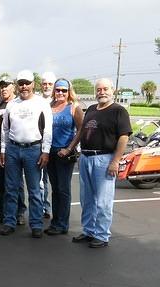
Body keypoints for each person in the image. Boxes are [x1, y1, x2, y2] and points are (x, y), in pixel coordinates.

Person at [73, 78, 130, 248]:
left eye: (105, 89)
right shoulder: (91, 109)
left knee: (103, 201)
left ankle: (102, 235)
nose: (102, 92)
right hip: (86, 157)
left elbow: (124, 137)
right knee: (87, 198)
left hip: (104, 159)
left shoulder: (118, 111)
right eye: (99, 89)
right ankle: (89, 230)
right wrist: (71, 149)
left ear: (113, 90)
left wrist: (116, 161)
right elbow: (82, 131)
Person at [0, 70, 52, 238]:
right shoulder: (11, 104)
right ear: (17, 85)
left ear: (33, 84)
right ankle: (9, 221)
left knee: (35, 190)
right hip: (13, 149)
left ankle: (36, 224)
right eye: (21, 83)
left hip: (34, 150)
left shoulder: (41, 103)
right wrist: (3, 150)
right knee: (11, 188)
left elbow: (48, 129)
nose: (24, 86)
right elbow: (5, 129)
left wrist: (45, 151)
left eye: (27, 83)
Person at [45, 79, 83, 236]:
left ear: (69, 92)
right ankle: (55, 222)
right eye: (58, 90)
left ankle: (62, 224)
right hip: (50, 152)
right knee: (55, 189)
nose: (60, 93)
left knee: (63, 189)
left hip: (64, 154)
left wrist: (69, 148)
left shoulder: (74, 108)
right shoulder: (48, 107)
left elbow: (81, 130)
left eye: (64, 90)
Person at [0, 76, 26, 225]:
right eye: (2, 86)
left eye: (7, 85)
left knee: (15, 183)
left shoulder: (18, 103)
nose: (4, 88)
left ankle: (19, 212)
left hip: (13, 148)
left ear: (14, 87)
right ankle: (4, 210)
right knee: (0, 183)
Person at [40, 71, 57, 219]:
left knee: (54, 182)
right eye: (44, 83)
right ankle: (42, 207)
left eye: (50, 84)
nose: (47, 86)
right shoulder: (37, 101)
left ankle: (53, 210)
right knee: (40, 181)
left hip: (56, 148)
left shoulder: (59, 101)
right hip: (39, 147)